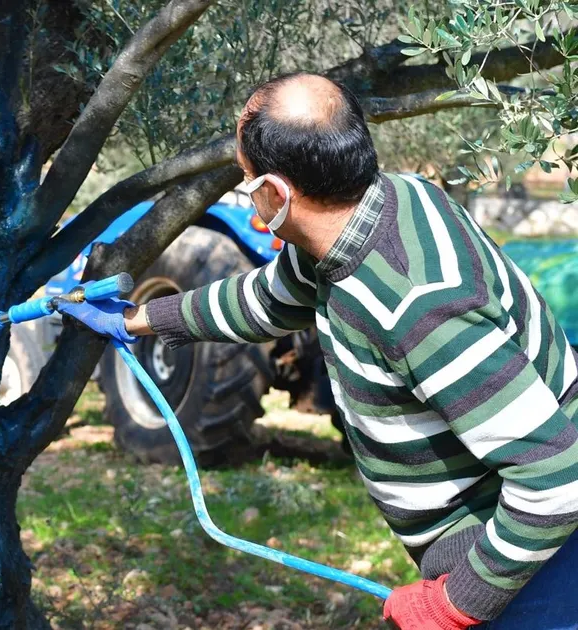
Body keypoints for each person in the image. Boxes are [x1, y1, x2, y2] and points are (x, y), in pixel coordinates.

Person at [57, 73, 578, 630]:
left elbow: (554, 478)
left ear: (277, 195)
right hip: (512, 545)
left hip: (535, 563)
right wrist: (141, 319)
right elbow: (266, 299)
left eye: (247, 176)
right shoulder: (382, 207)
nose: (246, 185)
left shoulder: (418, 308)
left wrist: (454, 604)